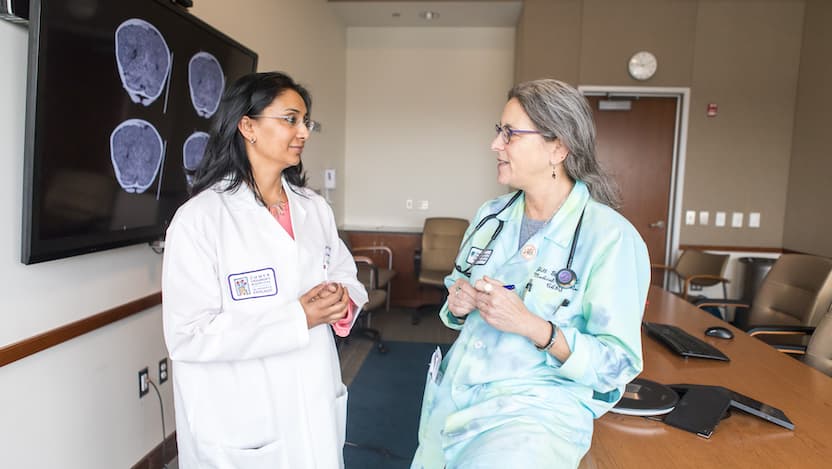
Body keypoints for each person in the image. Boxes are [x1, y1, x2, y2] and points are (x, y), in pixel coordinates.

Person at [411, 79, 651, 468]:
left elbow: (617, 364)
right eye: (498, 131)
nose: (495, 144)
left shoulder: (610, 238)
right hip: (455, 400)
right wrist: (458, 303)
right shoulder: (490, 216)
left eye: (510, 134)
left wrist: (533, 327)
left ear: (558, 147)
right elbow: (456, 290)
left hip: (533, 419)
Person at [162, 71, 368, 469]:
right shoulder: (200, 219)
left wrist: (341, 300)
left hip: (314, 395)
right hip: (244, 415)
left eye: (306, 122)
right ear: (248, 126)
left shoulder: (313, 208)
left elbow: (345, 273)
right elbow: (188, 336)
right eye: (290, 119)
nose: (303, 132)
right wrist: (298, 318)